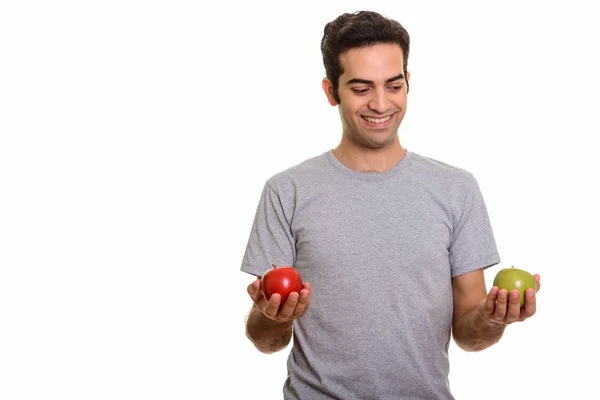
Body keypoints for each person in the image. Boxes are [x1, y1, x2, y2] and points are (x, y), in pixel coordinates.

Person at [240, 10, 541, 400]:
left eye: (393, 86)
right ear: (331, 91)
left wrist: (492, 317)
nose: (381, 104)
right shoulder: (287, 191)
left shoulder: (456, 189)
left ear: (408, 83)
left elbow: (470, 336)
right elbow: (265, 341)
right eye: (361, 88)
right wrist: (271, 317)